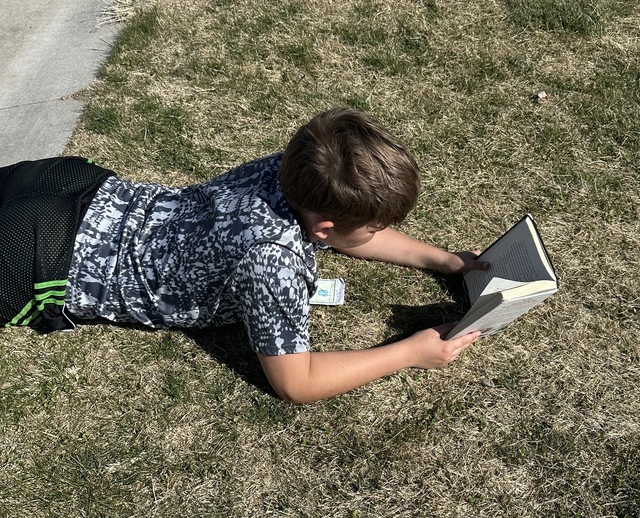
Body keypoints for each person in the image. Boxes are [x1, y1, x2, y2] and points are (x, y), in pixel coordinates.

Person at [0, 108, 487, 402]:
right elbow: (297, 382)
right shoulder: (271, 260)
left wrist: (442, 260)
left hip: (74, 185)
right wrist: (409, 353)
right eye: (377, 226)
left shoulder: (296, 169)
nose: (382, 232)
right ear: (323, 224)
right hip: (40, 258)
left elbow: (342, 233)